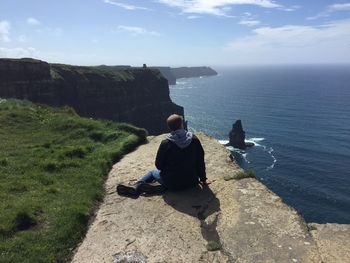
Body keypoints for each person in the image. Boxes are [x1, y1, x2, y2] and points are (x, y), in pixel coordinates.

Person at [117, 114, 207, 197]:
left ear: (169, 127)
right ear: (182, 124)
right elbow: (200, 161)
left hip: (172, 183)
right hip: (192, 182)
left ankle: (138, 185)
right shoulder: (194, 140)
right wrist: (203, 179)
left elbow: (158, 165)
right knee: (172, 176)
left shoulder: (166, 143)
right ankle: (161, 186)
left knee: (152, 172)